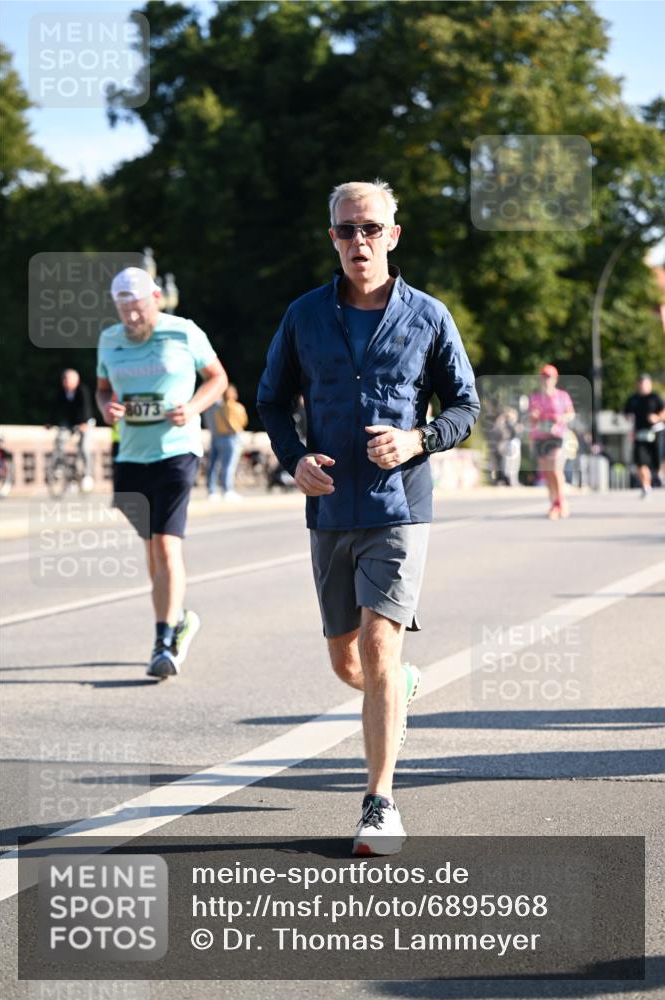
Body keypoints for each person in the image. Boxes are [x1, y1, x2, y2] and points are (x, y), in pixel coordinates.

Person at [257, 179, 479, 856]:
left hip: (397, 508)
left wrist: (418, 440)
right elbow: (270, 401)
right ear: (332, 237)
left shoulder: (429, 315)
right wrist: (292, 458)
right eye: (348, 230)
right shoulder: (302, 315)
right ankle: (401, 689)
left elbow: (463, 406)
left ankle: (378, 803)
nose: (360, 241)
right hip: (328, 508)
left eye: (372, 228)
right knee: (344, 660)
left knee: (379, 645)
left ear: (393, 234)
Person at [96, 267, 227, 679]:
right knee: (152, 550)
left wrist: (191, 408)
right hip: (132, 456)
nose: (131, 319)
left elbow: (218, 379)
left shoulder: (184, 331)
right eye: (124, 311)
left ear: (155, 298)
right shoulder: (109, 339)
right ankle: (179, 614)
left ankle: (164, 639)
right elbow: (102, 388)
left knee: (167, 546)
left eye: (137, 309)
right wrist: (106, 408)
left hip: (176, 451)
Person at [528, 364, 575, 519]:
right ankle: (554, 503)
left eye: (549, 377)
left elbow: (571, 414)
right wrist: (534, 416)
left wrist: (560, 419)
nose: (546, 380)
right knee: (547, 473)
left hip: (557, 436)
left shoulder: (562, 396)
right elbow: (531, 419)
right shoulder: (535, 397)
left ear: (555, 379)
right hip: (540, 436)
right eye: (544, 377)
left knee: (555, 469)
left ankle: (559, 503)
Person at [48, 369, 95, 490]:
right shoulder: (61, 392)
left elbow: (86, 407)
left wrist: (84, 423)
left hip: (85, 421)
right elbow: (54, 408)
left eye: (67, 379)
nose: (65, 381)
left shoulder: (82, 390)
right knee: (59, 439)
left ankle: (87, 474)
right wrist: (50, 422)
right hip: (70, 422)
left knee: (84, 447)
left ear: (76, 380)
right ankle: (59, 466)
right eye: (64, 379)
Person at [624, 373, 665, 498]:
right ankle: (646, 487)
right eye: (641, 383)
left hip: (656, 432)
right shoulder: (633, 399)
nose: (643, 385)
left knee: (659, 460)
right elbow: (626, 413)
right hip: (640, 434)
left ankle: (660, 474)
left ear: (650, 384)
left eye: (645, 383)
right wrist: (628, 418)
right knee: (641, 462)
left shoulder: (655, 397)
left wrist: (657, 417)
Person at [206, 383, 248, 501]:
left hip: (217, 437)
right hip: (231, 437)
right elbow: (242, 421)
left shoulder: (216, 408)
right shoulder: (236, 407)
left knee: (214, 465)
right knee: (229, 466)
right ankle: (227, 490)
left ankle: (212, 490)